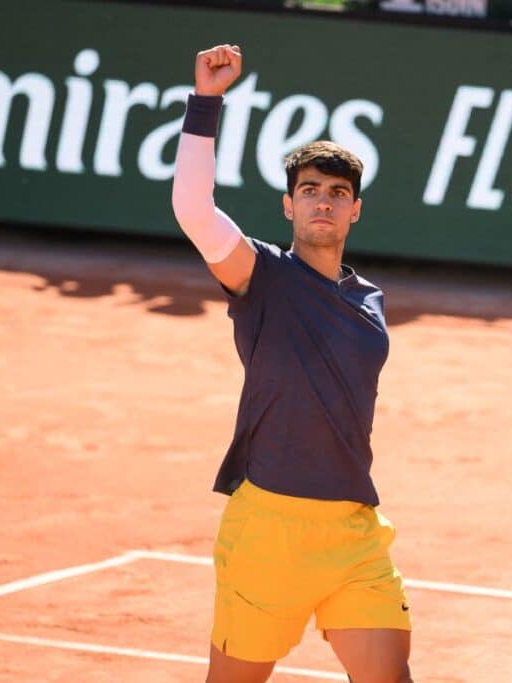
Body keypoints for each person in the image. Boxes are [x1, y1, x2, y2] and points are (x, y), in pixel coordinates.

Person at [172, 44, 413, 683]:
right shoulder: (263, 276)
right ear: (289, 206)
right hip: (268, 531)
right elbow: (194, 211)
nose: (323, 202)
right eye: (309, 191)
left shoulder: (369, 301)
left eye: (338, 193)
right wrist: (207, 99)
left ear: (355, 209)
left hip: (353, 534)